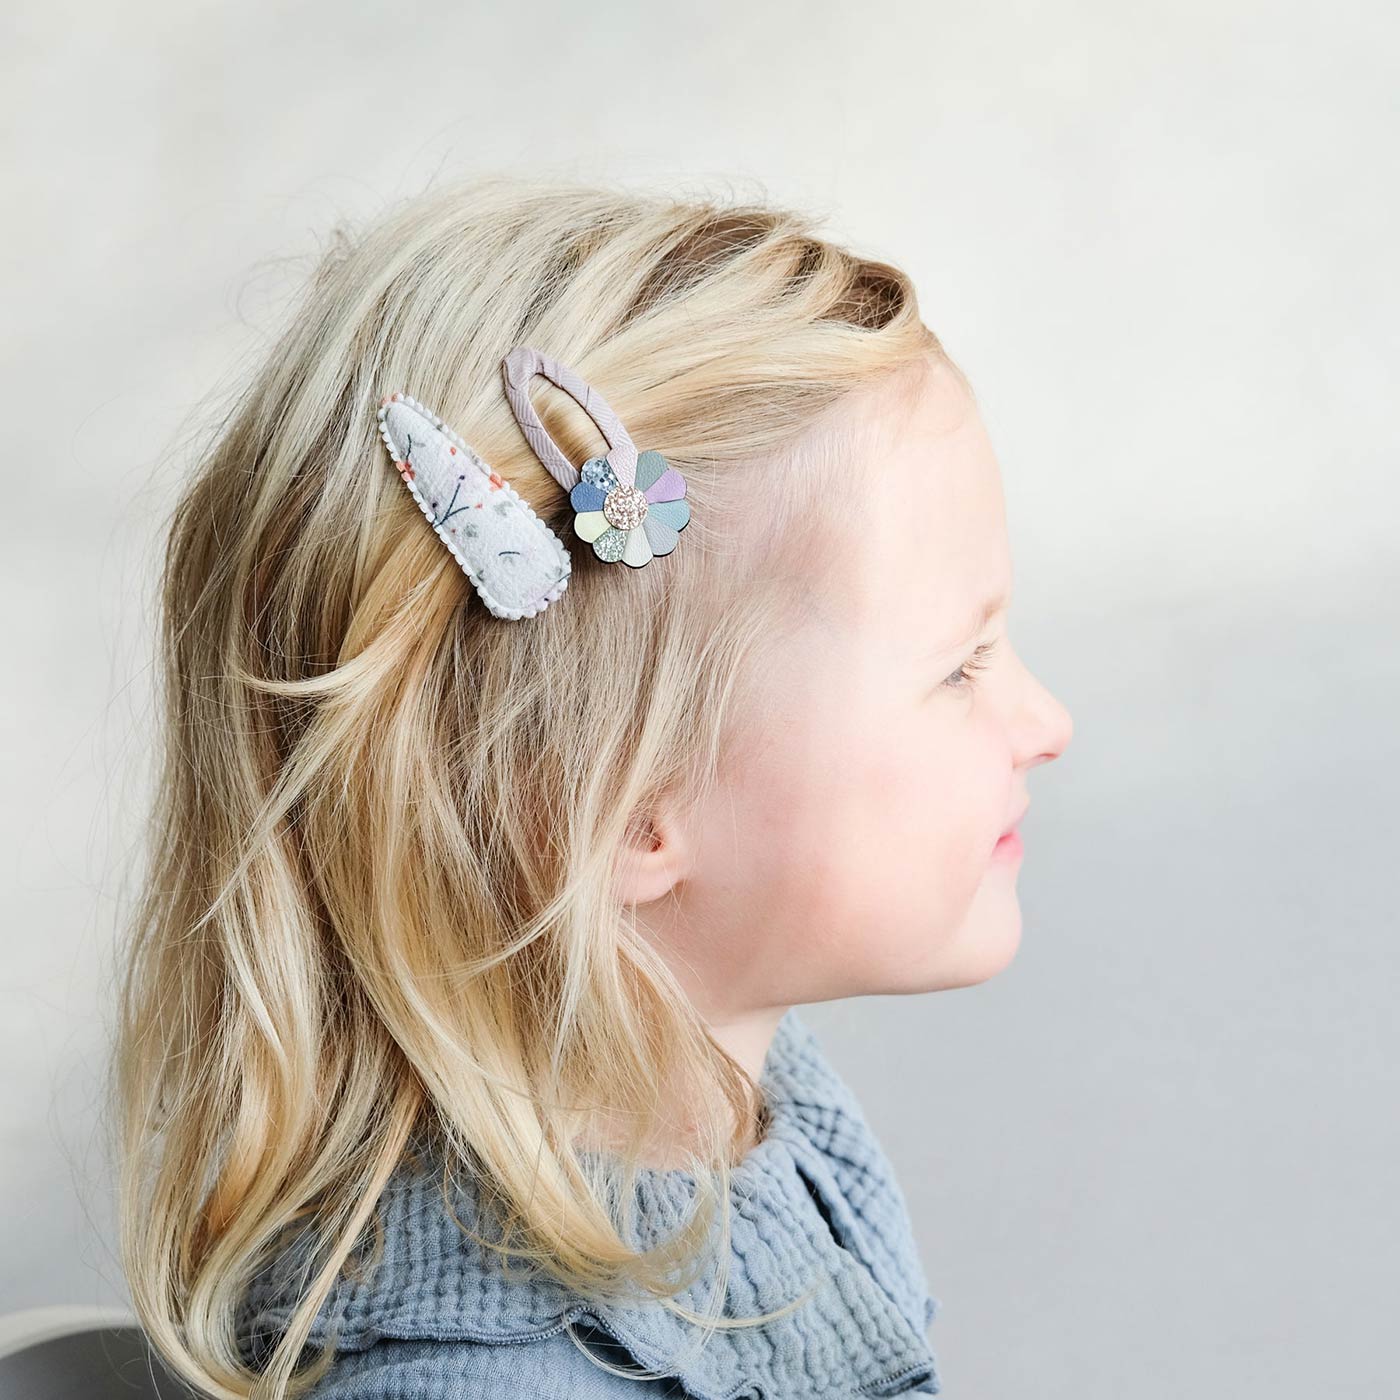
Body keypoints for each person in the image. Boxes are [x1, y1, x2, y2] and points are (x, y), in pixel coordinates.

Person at [112, 173, 1073, 1399]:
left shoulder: (763, 1120)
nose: (1044, 723)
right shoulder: (478, 1383)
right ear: (616, 807)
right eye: (959, 666)